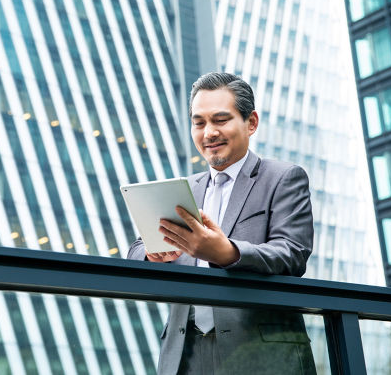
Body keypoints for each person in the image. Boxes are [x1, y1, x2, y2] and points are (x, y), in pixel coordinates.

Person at [128, 72, 316, 375]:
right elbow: (137, 248)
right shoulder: (184, 189)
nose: (209, 132)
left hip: (260, 350)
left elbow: (292, 253)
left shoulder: (283, 178)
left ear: (251, 122)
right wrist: (152, 254)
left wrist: (227, 252)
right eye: (199, 122)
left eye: (221, 120)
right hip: (185, 354)